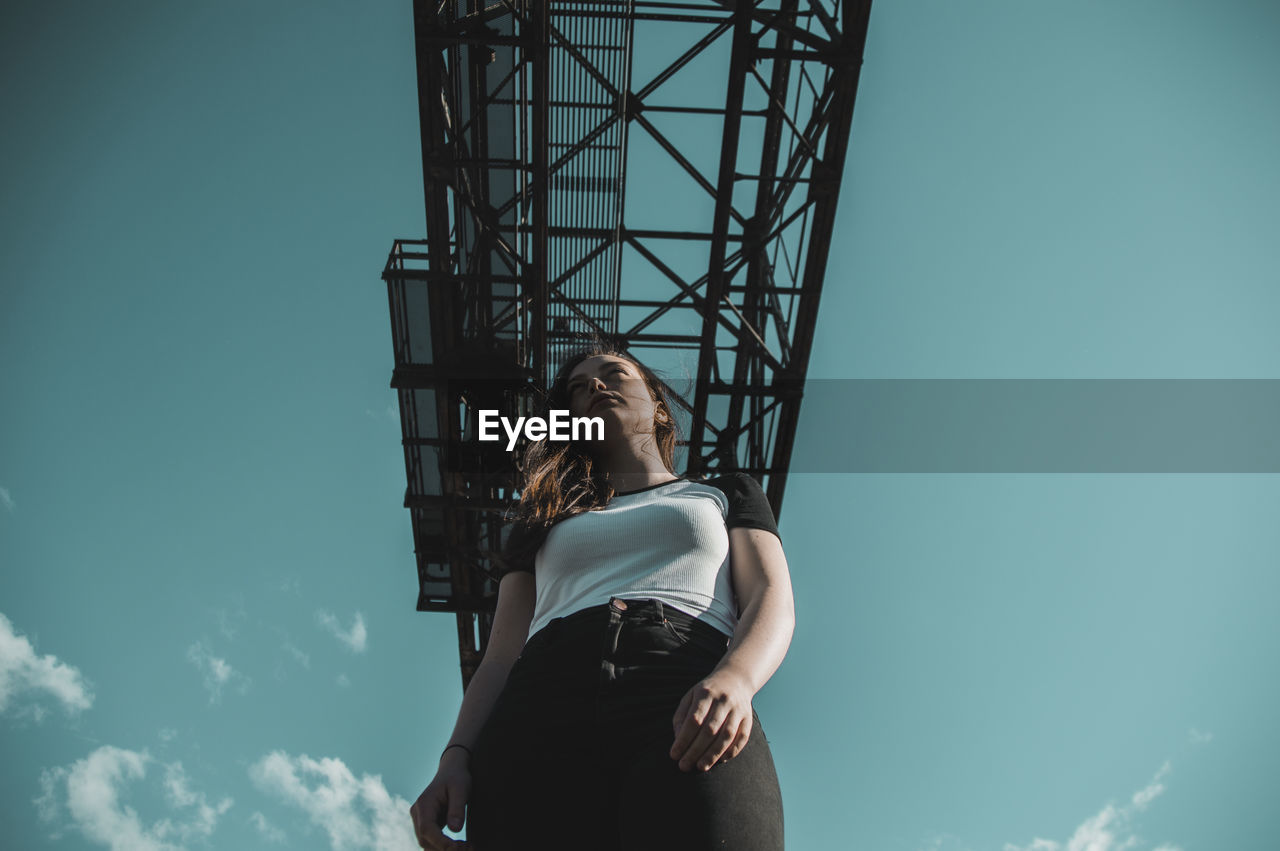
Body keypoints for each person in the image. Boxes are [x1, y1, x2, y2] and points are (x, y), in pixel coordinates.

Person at [410, 343, 796, 850]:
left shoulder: (726, 491)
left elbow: (771, 595)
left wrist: (737, 679)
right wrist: (455, 755)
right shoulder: (540, 519)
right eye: (576, 387)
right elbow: (501, 656)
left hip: (684, 693)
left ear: (658, 405)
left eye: (613, 373)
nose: (594, 385)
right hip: (541, 707)